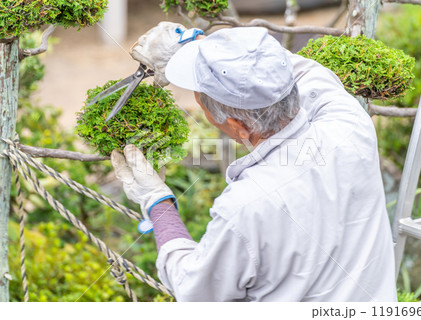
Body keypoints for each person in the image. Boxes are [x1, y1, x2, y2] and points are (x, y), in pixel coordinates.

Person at [111, 23, 397, 302]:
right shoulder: (349, 124)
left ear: (238, 127)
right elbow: (291, 68)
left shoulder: (246, 207)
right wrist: (199, 48)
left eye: (200, 99)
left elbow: (192, 289)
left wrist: (157, 202)